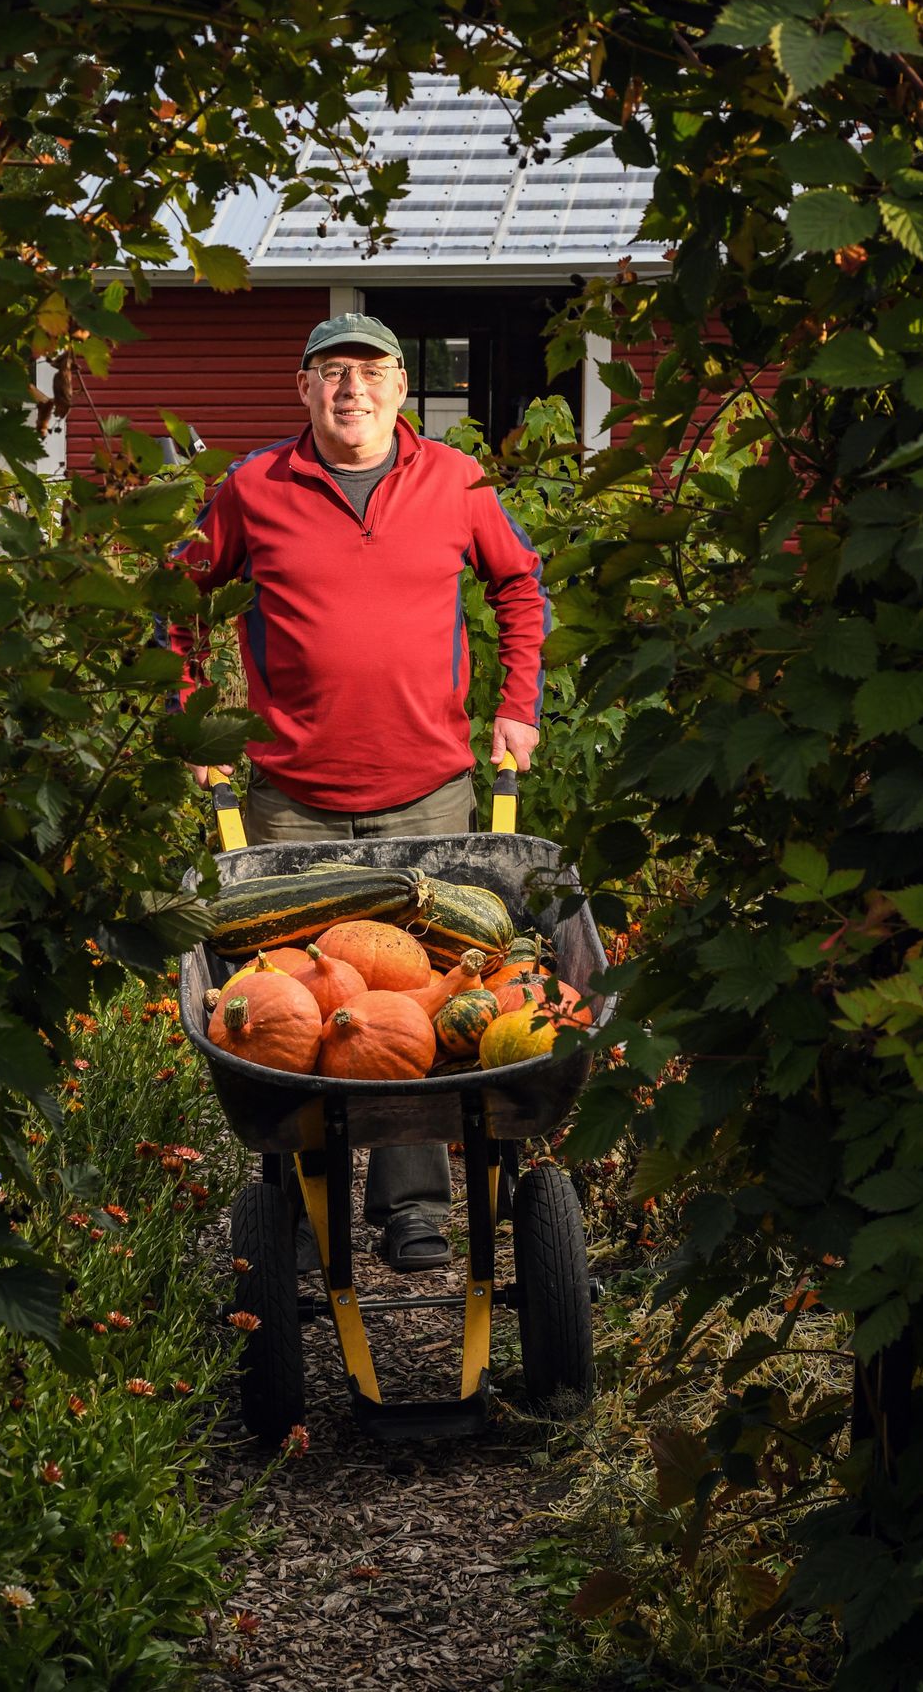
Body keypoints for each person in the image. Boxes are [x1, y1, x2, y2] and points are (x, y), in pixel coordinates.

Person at [168, 313, 549, 1272]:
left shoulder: (457, 481)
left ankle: (411, 1207)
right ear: (303, 390)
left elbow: (520, 587)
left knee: (414, 997)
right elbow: (180, 598)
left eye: (372, 371)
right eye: (331, 373)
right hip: (289, 796)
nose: (353, 390)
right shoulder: (256, 487)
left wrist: (517, 708)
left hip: (430, 790)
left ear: (398, 387)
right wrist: (191, 720)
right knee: (287, 1000)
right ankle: (295, 1199)